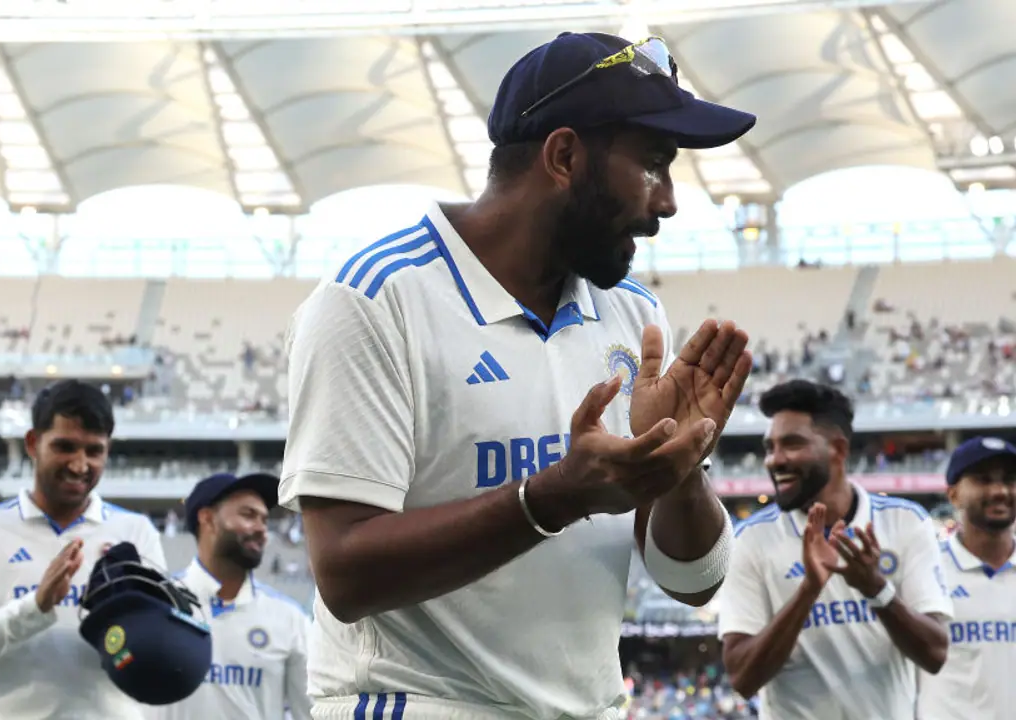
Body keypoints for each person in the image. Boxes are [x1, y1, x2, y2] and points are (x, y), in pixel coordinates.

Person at [279, 31, 756, 720]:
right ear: (564, 156)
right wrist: (553, 497)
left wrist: (679, 470)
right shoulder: (375, 300)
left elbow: (694, 582)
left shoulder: (633, 312)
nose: (669, 201)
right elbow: (346, 572)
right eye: (654, 165)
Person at [0, 379, 167, 720]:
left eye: (94, 451)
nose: (79, 464)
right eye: (65, 447)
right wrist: (35, 606)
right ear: (33, 443)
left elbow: (152, 653)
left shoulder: (135, 533)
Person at [718, 379, 951, 720]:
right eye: (770, 447)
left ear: (838, 450)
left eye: (792, 444)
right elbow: (742, 678)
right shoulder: (752, 539)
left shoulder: (905, 523)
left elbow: (935, 654)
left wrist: (876, 589)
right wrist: (809, 589)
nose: (774, 460)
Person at [147, 472, 310, 720]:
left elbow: (309, 713)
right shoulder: (155, 603)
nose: (261, 529)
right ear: (208, 519)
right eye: (248, 515)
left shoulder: (290, 619)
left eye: (264, 520)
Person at [916, 437, 1016, 720]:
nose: (1000, 490)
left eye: (1009, 479)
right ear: (953, 495)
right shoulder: (927, 569)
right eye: (983, 480)